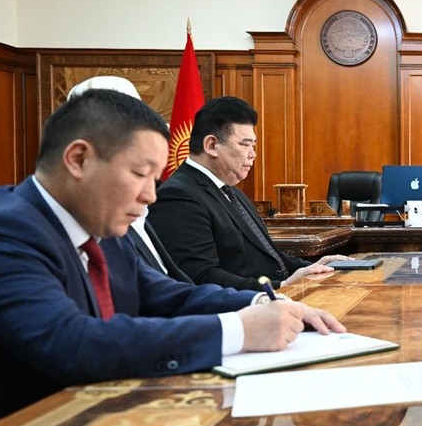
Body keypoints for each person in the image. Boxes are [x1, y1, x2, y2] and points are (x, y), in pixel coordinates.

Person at [0, 89, 346, 426]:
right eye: (140, 174)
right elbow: (72, 344)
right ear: (78, 159)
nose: (152, 196)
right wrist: (239, 330)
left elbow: (165, 294)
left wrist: (262, 302)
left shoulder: (99, 227)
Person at [148, 96, 347, 291]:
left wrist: (311, 267)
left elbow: (269, 256)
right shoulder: (178, 196)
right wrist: (281, 286)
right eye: (245, 144)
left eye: (254, 145)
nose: (253, 154)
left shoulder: (231, 190)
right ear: (211, 145)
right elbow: (199, 276)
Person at [65, 76, 192, 282]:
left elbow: (162, 286)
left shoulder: (125, 213)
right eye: (138, 173)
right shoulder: (79, 226)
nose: (151, 196)